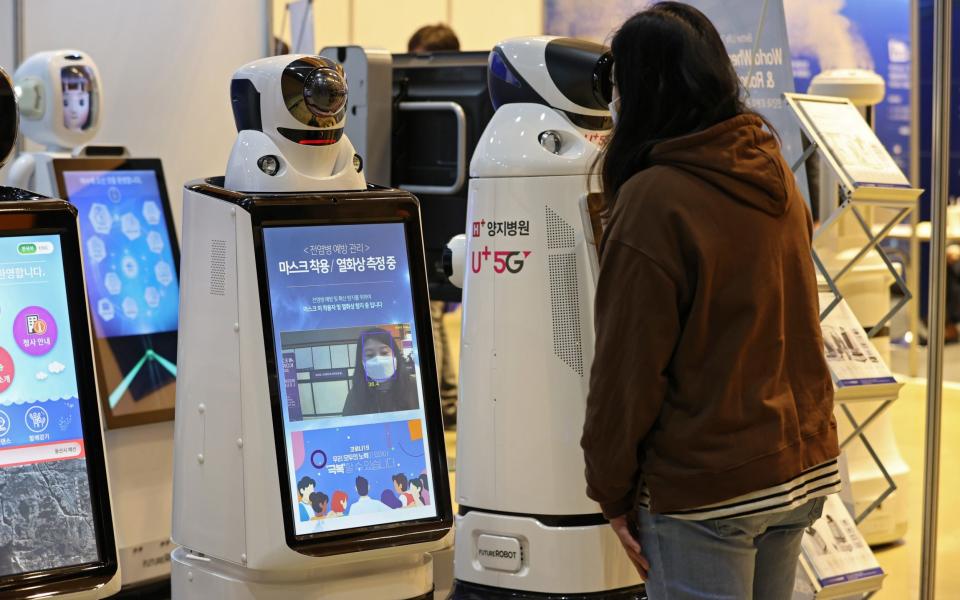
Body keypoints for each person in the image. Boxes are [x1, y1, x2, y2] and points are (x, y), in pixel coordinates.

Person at [580, 4, 841, 599]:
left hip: (710, 482)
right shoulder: (768, 164)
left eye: (617, 85)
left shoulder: (654, 198)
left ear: (642, 90)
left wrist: (610, 490)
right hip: (796, 463)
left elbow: (627, 370)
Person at [408, 23, 462, 429]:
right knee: (434, 311)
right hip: (423, 210)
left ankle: (444, 403)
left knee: (434, 308)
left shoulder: (451, 105)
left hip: (441, 215)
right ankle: (447, 401)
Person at [341, 328, 419, 416]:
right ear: (362, 362)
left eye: (384, 352)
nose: (378, 360)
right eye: (370, 355)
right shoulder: (356, 394)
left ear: (395, 355)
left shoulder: (416, 386)